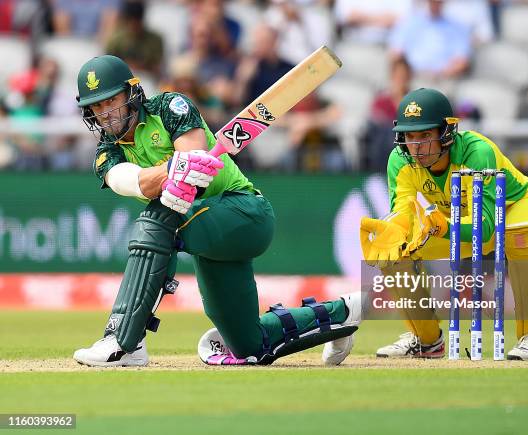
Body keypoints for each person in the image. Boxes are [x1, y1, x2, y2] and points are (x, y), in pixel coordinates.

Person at [71, 55, 360, 367]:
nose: (106, 113)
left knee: (157, 219)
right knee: (251, 346)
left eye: (111, 100)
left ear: (131, 94)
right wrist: (170, 170)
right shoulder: (106, 153)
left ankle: (125, 340)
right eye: (97, 107)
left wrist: (179, 169)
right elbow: (129, 182)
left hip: (244, 212)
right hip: (207, 237)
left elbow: (193, 158)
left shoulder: (169, 107)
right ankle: (342, 314)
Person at [360, 87, 528, 361]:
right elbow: (402, 214)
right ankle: (426, 340)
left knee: (518, 233)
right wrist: (390, 233)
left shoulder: (477, 152)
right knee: (396, 251)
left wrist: (445, 226)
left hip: (513, 207)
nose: (416, 146)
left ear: (447, 132)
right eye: (410, 136)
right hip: (454, 221)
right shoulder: (400, 161)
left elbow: (487, 227)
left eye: (425, 135)